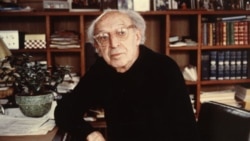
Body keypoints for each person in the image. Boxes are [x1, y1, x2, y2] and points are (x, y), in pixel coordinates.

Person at [54, 9, 199, 141]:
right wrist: (89, 133)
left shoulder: (164, 69)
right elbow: (65, 110)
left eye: (121, 32)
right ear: (97, 46)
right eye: (103, 37)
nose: (114, 43)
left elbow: (186, 132)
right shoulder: (102, 69)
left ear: (137, 36)